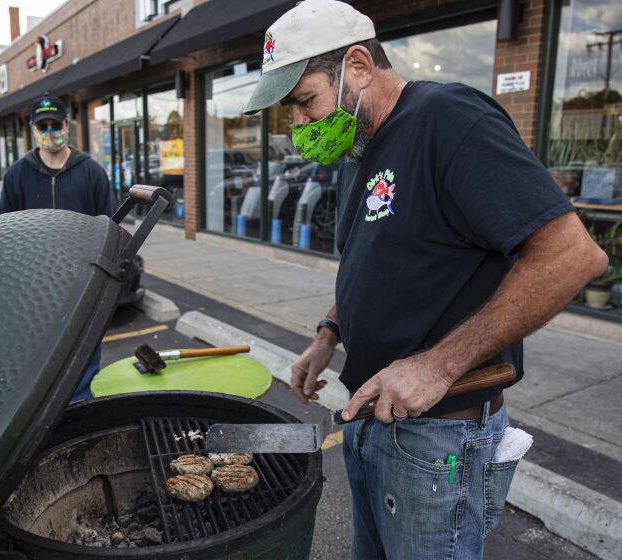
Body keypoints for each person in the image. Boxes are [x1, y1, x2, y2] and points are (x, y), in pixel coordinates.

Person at [243, 1, 608, 558]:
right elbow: (376, 262)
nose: (298, 123)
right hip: (369, 419)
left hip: (438, 439)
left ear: (359, 66)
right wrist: (327, 336)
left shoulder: (450, 119)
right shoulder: (358, 151)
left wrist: (436, 366)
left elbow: (572, 257)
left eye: (303, 101)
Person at [0, 94, 117, 402]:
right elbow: (5, 233)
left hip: (82, 285)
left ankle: (83, 419)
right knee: (39, 365)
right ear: (34, 129)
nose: (50, 131)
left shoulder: (91, 171)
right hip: (34, 290)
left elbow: (112, 228)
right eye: (43, 125)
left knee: (84, 360)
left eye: (55, 124)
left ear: (67, 125)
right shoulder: (17, 175)